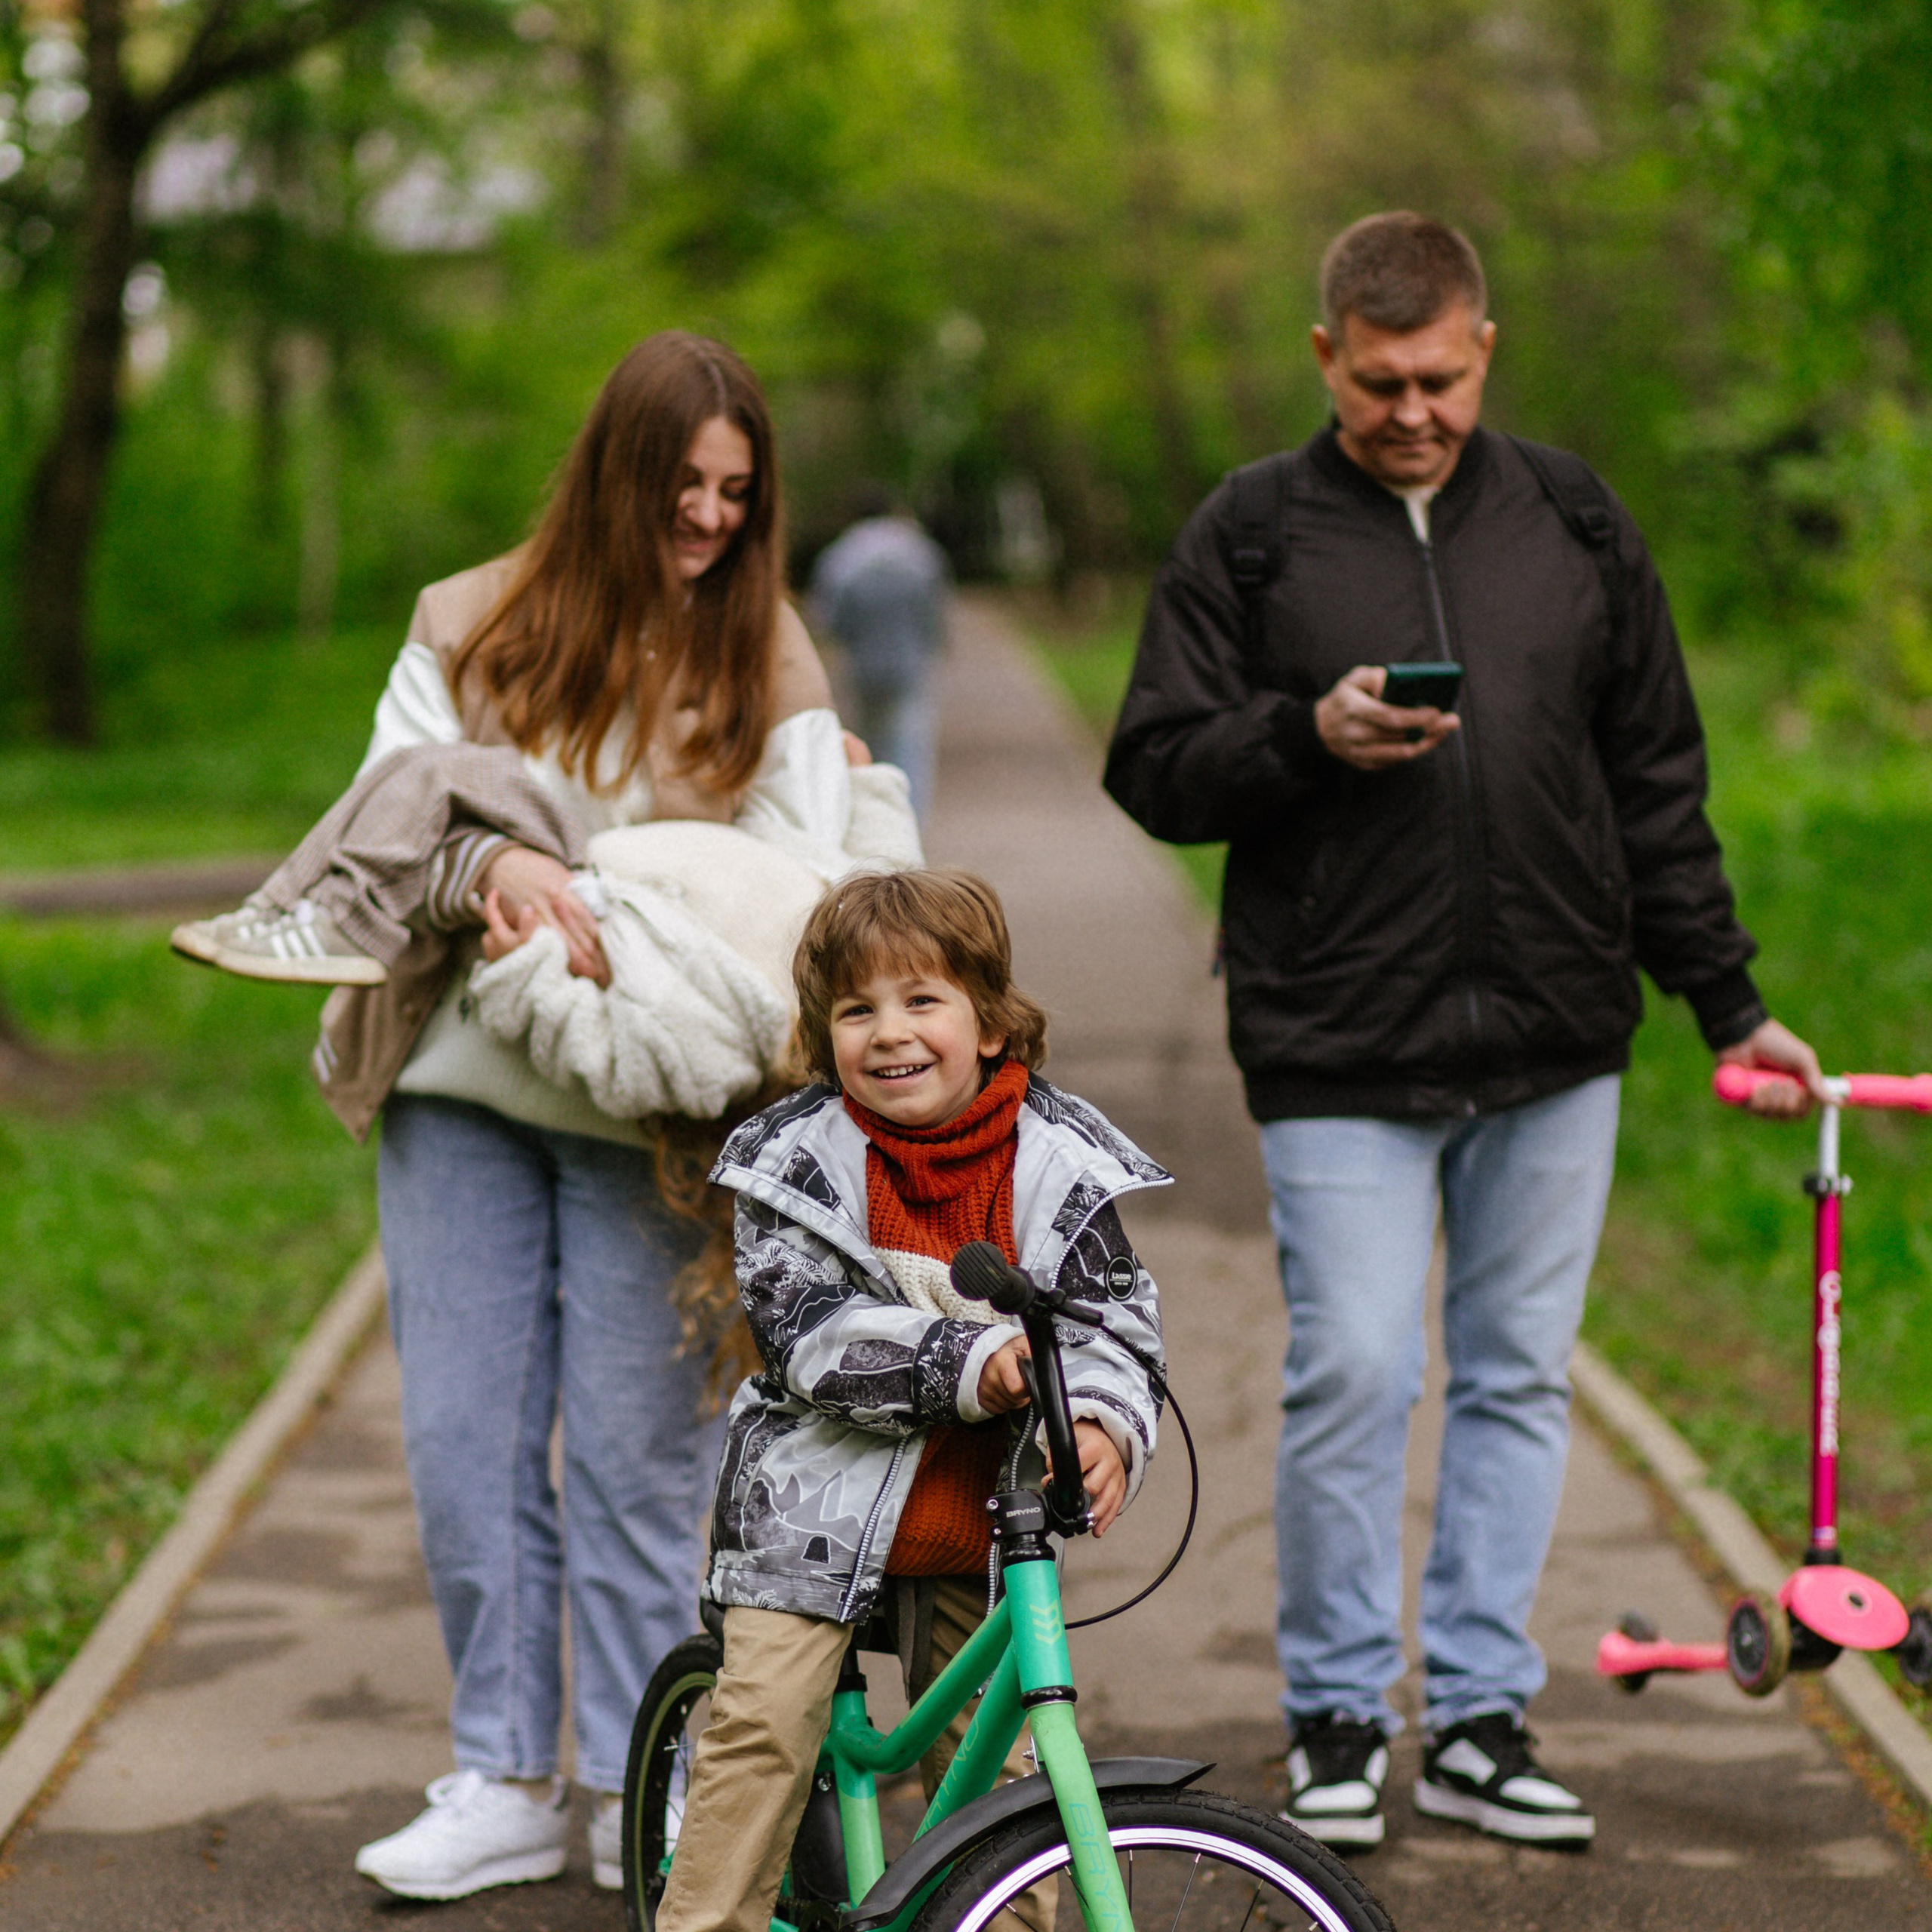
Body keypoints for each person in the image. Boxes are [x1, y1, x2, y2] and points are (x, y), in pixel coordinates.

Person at [1103, 212, 1826, 1850]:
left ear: (1482, 346)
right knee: (1353, 1367)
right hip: (1337, 1041)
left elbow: (1654, 780)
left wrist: (1729, 999)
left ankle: (1483, 1717)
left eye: (1436, 377)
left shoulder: (1571, 516)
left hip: (1557, 1039)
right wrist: (1303, 733)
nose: (1410, 409)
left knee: (1511, 1375)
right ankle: (1339, 1714)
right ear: (1322, 360)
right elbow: (1148, 763)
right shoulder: (1252, 535)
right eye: (1376, 384)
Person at [325, 331, 856, 1902]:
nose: (705, 520)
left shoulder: (773, 653)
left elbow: (806, 893)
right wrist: (488, 867)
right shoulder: (467, 622)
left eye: (734, 495)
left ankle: (651, 1778)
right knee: (465, 1442)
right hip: (468, 1097)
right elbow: (384, 820)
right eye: (681, 486)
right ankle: (501, 1770)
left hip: (658, 1123)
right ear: (614, 473)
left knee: (640, 1460)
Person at [654, 867, 1168, 1932]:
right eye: (857, 1010)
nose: (891, 1033)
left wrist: (1101, 1420)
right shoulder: (793, 1165)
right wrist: (970, 1364)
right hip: (813, 1515)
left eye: (922, 1000)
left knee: (1004, 1773)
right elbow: (811, 1341)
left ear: (989, 1023)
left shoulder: (1060, 1163)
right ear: (825, 1034)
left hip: (981, 1523)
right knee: (763, 1727)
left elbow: (1112, 1323)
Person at [809, 489, 950, 820]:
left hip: (862, 663)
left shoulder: (841, 555)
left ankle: (872, 820)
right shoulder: (921, 551)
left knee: (864, 746)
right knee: (909, 744)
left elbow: (828, 617)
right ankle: (908, 820)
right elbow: (934, 610)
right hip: (910, 662)